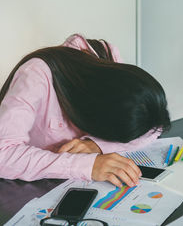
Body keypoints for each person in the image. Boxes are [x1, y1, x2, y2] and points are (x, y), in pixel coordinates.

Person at [0, 34, 170, 188]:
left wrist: (96, 145)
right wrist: (89, 165)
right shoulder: (35, 75)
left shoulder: (107, 55)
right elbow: (3, 155)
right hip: (27, 190)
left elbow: (153, 124)